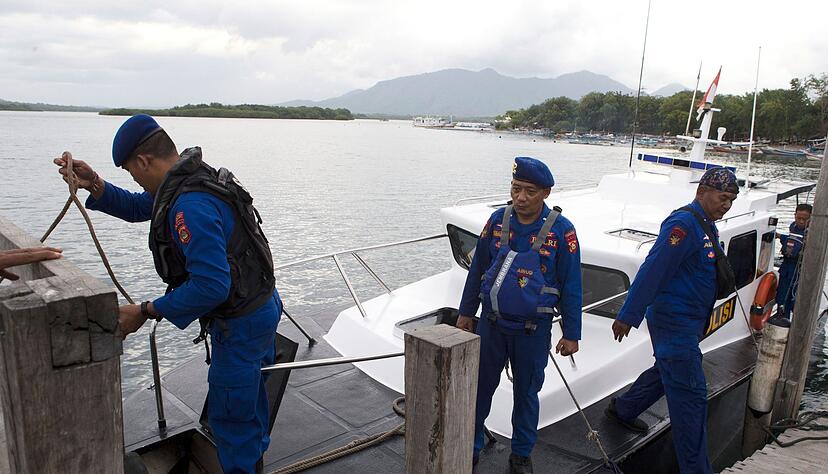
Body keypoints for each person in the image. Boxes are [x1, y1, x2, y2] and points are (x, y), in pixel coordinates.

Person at [54, 114, 281, 474]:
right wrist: (94, 184)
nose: (135, 181)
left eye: (132, 172)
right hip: (261, 305)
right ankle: (255, 458)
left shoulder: (189, 206)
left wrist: (145, 310)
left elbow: (212, 286)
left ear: (144, 161)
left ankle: (245, 464)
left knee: (233, 421)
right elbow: (137, 206)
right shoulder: (189, 178)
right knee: (250, 404)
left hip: (240, 326)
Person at [606, 167, 739, 474]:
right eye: (722, 198)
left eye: (731, 200)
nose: (727, 205)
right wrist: (628, 315)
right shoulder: (683, 225)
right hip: (673, 321)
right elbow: (654, 268)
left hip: (689, 322)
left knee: (666, 370)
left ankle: (625, 408)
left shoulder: (706, 224)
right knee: (691, 398)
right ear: (702, 192)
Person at [456, 156, 582, 474]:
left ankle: (521, 453)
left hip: (533, 330)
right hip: (492, 324)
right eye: (516, 189)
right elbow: (477, 270)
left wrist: (572, 333)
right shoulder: (497, 222)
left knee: (526, 393)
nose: (521, 198)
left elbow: (571, 285)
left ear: (545, 193)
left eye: (529, 191)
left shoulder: (563, 232)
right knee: (481, 387)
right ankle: (470, 445)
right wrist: (466, 313)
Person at [775, 203, 812, 319]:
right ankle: (781, 317)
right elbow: (791, 240)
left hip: (800, 271)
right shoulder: (793, 227)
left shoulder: (812, 233)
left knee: (795, 300)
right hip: (786, 268)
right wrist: (779, 236)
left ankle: (795, 322)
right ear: (794, 215)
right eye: (798, 218)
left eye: (804, 219)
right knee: (782, 296)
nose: (801, 221)